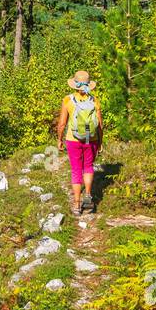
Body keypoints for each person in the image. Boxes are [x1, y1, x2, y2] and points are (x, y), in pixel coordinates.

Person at [57, 70, 102, 216]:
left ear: (75, 85)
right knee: (88, 166)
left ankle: (76, 204)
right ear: (89, 85)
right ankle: (88, 195)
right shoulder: (94, 100)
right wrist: (100, 142)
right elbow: (100, 124)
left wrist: (59, 139)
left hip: (73, 139)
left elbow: (62, 123)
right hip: (91, 139)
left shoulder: (68, 100)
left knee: (76, 169)